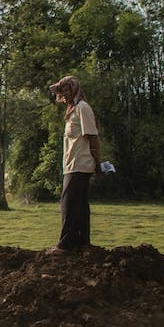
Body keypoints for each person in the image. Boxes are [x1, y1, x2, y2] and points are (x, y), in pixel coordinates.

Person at [48, 76, 101, 253]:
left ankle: (66, 245)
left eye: (67, 91)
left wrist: (98, 162)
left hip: (80, 164)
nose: (64, 95)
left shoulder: (82, 108)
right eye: (62, 92)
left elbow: (93, 137)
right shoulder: (73, 110)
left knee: (69, 204)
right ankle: (82, 243)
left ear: (75, 90)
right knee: (79, 205)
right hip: (72, 165)